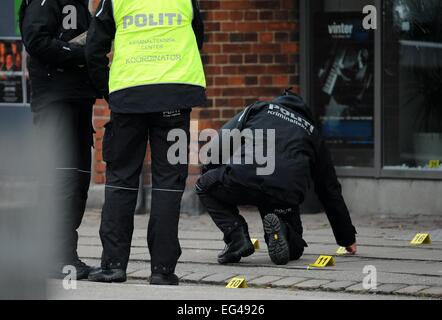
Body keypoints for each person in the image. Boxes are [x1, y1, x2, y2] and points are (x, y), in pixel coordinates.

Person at [86, 0, 206, 285]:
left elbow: (94, 49)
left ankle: (114, 266)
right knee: (168, 183)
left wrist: (110, 90)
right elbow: (196, 37)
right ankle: (163, 271)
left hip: (129, 95)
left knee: (120, 178)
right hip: (175, 93)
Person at [196, 90, 357, 265]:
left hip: (246, 176)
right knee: (294, 250)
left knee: (204, 186)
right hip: (285, 191)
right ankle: (284, 230)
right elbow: (329, 189)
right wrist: (346, 237)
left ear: (280, 101)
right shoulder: (312, 132)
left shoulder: (260, 108)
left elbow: (223, 140)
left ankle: (237, 238)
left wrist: (210, 170)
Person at [20, 0, 96, 279]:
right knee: (60, 182)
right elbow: (36, 39)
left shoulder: (82, 4)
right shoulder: (45, 1)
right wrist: (78, 52)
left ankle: (65, 254)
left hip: (80, 100)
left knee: (78, 183)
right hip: (55, 101)